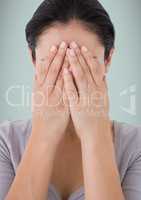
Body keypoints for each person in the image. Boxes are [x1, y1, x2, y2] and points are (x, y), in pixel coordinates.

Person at [0, 0, 141, 200]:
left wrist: (95, 135)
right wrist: (43, 135)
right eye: (53, 62)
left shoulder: (135, 146)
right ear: (33, 58)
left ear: (108, 58)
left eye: (82, 62)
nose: (68, 75)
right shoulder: (5, 142)